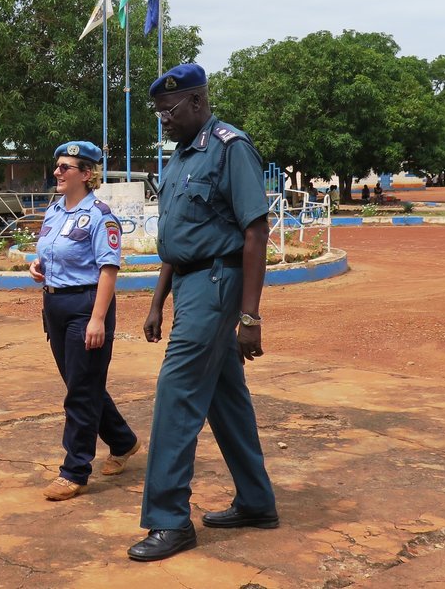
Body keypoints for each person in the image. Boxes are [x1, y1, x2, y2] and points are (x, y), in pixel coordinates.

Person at [127, 63, 278, 562]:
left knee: (177, 395)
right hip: (188, 283)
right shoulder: (178, 158)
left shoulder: (230, 148)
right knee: (224, 397)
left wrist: (250, 317)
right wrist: (157, 301)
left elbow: (255, 231)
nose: (164, 120)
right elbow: (178, 237)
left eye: (168, 110)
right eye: (159, 113)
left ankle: (170, 520)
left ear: (196, 101)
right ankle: (256, 501)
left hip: (217, 282)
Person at [28, 141, 140, 501]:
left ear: (86, 174)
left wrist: (97, 320)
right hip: (55, 305)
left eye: (65, 167)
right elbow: (49, 253)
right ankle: (123, 441)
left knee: (80, 392)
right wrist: (37, 266)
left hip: (86, 307)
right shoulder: (54, 211)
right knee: (82, 384)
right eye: (57, 166)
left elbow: (108, 270)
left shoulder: (100, 216)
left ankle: (74, 470)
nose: (57, 172)